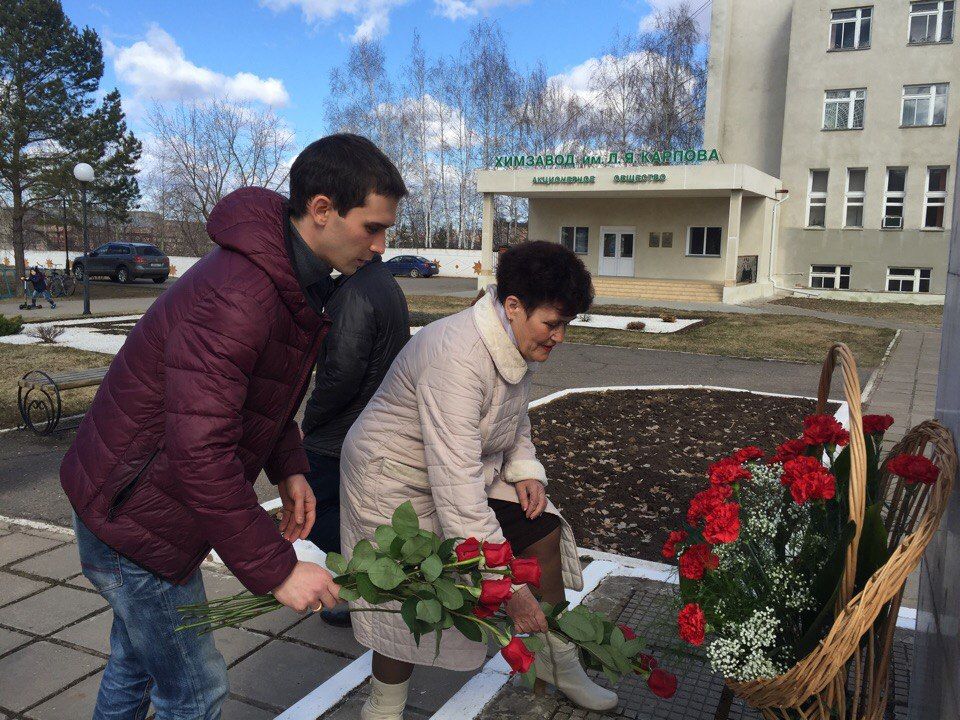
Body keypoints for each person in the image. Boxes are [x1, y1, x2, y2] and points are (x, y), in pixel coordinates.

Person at [59, 133, 407, 720]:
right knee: (195, 691)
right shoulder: (241, 293)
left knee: (136, 663)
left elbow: (260, 398)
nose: (379, 246)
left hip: (138, 508)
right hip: (132, 521)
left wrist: (290, 466)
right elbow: (200, 450)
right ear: (321, 210)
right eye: (371, 227)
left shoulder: (291, 277)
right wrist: (277, 569)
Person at [340, 241, 617, 720]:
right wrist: (506, 586)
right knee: (408, 594)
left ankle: (556, 659)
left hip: (456, 467)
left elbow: (513, 418)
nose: (559, 337)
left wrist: (526, 469)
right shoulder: (457, 356)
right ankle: (383, 708)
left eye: (565, 325)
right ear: (513, 306)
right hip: (393, 478)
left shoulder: (510, 338)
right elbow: (457, 488)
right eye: (552, 324)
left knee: (542, 529)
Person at [300, 253, 410, 626]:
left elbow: (340, 375)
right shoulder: (378, 282)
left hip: (339, 430)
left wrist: (310, 419)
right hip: (366, 423)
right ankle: (369, 585)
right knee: (350, 511)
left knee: (310, 513)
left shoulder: (357, 293)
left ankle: (373, 582)